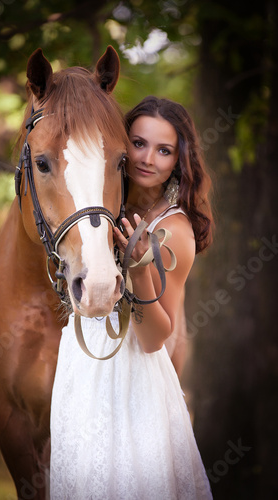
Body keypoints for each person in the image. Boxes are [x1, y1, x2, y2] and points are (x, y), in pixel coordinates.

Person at [50, 96, 213, 499]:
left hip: (129, 381)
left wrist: (139, 271)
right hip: (81, 367)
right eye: (138, 143)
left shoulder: (174, 230)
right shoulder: (103, 206)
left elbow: (156, 338)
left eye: (164, 150)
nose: (148, 159)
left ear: (179, 160)